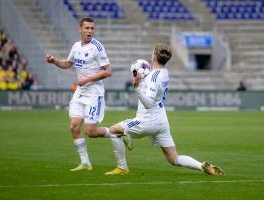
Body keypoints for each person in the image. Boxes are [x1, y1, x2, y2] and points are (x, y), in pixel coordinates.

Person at [105, 43, 225, 176]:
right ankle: (201, 166)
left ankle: (122, 167)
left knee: (113, 131)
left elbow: (149, 104)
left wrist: (137, 89)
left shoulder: (153, 77)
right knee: (174, 159)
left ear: (154, 56)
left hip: (146, 121)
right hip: (161, 122)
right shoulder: (164, 73)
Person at [45, 17, 112, 171]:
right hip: (81, 92)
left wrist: (87, 79)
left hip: (94, 93)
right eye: (87, 28)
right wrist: (54, 61)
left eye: (92, 28)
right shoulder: (76, 46)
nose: (90, 31)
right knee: (74, 126)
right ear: (80, 29)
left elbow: (108, 71)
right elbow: (68, 64)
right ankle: (85, 162)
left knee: (90, 131)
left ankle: (116, 133)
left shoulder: (97, 47)